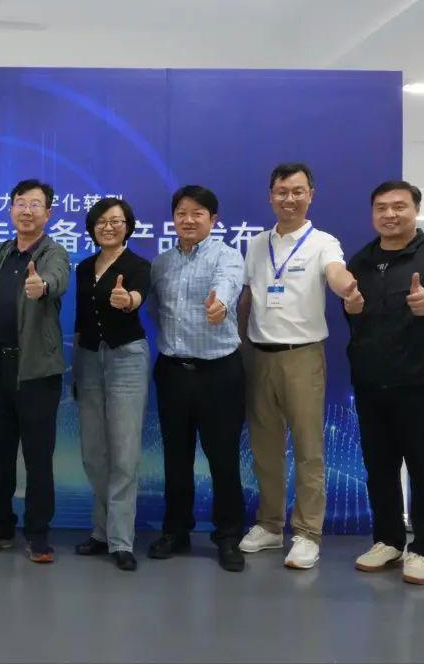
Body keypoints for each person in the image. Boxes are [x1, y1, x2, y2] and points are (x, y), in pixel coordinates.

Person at [236, 163, 362, 570]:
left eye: (297, 191)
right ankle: (270, 525)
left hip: (302, 356)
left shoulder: (323, 242)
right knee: (264, 448)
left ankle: (307, 533)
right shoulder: (256, 244)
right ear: (270, 195)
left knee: (309, 449)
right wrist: (238, 343)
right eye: (281, 191)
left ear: (311, 194)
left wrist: (347, 289)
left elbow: (336, 273)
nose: (288, 199)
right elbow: (248, 297)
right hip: (258, 355)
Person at [346, 180, 424, 585]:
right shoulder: (362, 260)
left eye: (399, 206)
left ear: (415, 209)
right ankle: (388, 540)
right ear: (373, 213)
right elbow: (359, 318)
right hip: (372, 382)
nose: (390, 214)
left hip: (420, 382)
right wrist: (352, 308)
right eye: (381, 207)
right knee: (379, 467)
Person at [0, 179, 71, 564]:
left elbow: (58, 279)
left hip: (38, 372)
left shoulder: (54, 252)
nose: (27, 211)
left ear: (48, 212)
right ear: (11, 209)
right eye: (20, 203)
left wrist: (42, 285)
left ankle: (38, 532)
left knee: (38, 457)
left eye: (35, 204)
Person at [147, 185, 246, 572]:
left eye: (197, 213)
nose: (188, 220)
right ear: (173, 218)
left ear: (213, 219)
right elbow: (156, 312)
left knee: (223, 458)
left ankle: (228, 536)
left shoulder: (227, 256)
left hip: (218, 372)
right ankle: (176, 530)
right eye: (181, 213)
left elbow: (228, 285)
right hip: (173, 371)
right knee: (176, 457)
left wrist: (219, 304)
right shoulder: (160, 264)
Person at [72, 197, 151, 572]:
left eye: (116, 221)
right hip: (88, 358)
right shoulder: (84, 267)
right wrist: (75, 368)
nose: (108, 227)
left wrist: (127, 299)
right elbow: (80, 320)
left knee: (123, 452)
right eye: (102, 221)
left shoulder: (138, 266)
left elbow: (137, 297)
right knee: (94, 452)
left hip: (126, 359)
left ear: (128, 226)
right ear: (92, 227)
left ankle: (121, 540)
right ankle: (101, 531)